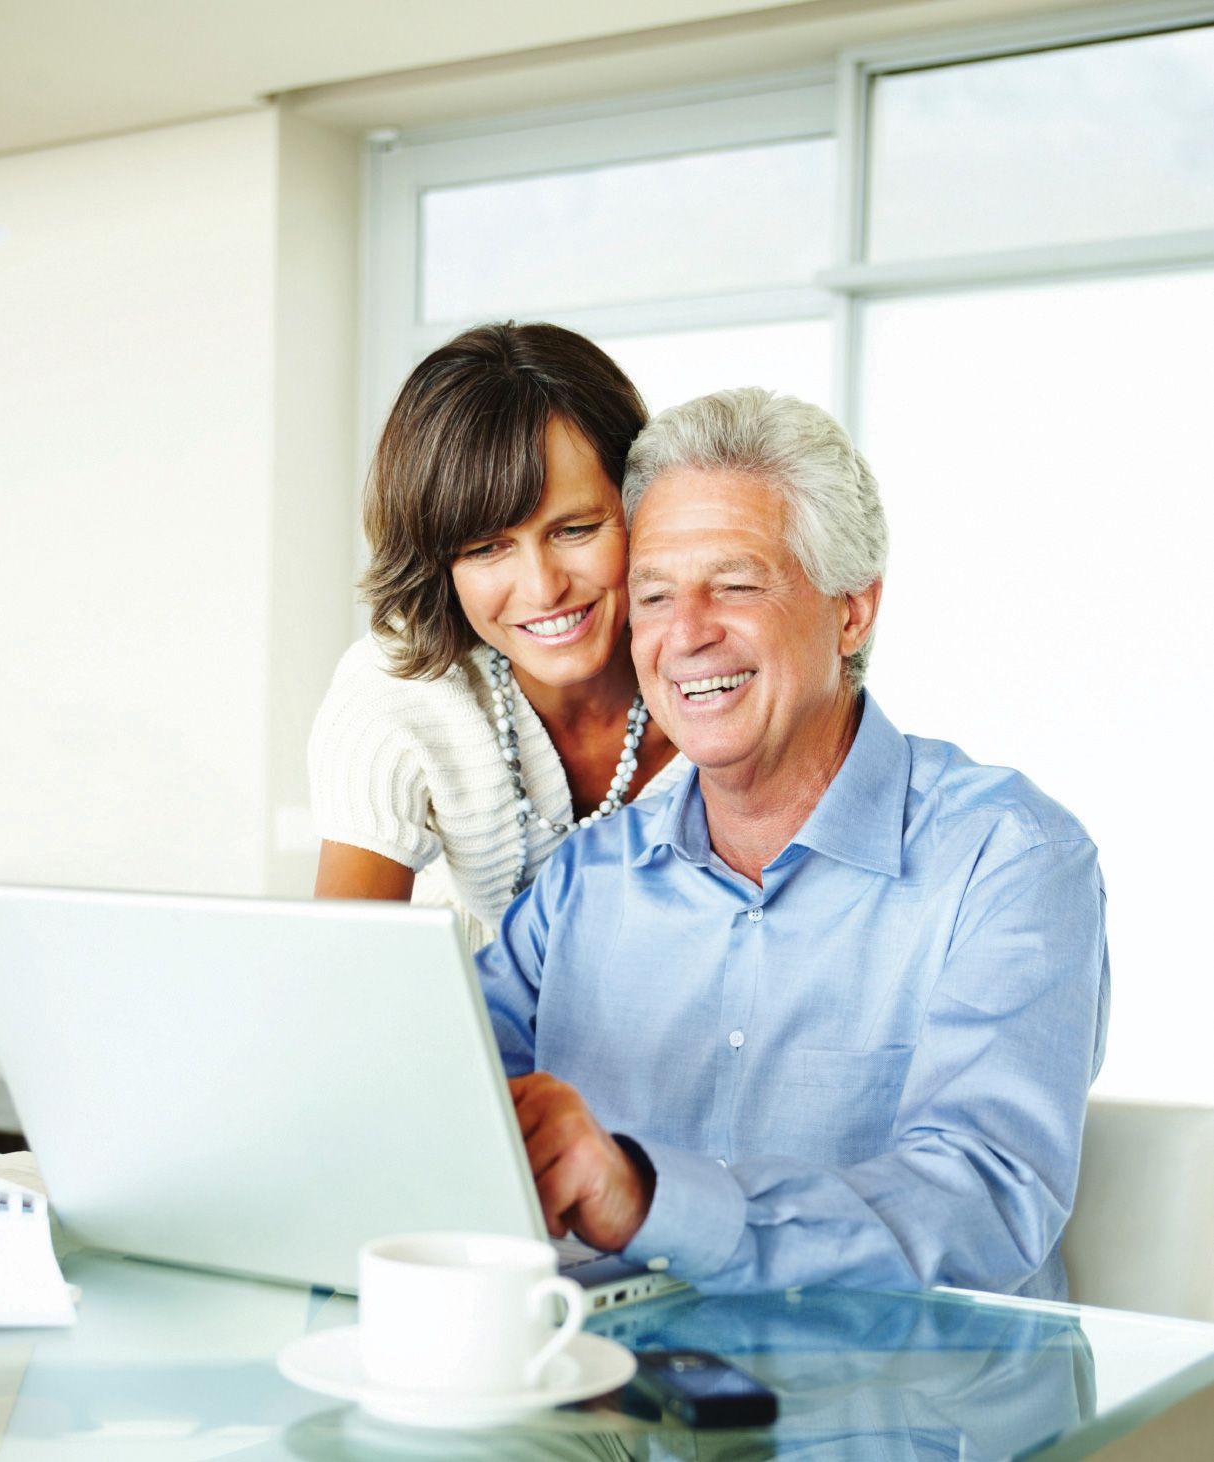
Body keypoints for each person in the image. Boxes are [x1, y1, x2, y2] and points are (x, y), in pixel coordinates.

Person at [478, 387, 1109, 1298]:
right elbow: (437, 1104)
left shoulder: (1007, 861)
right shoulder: (584, 880)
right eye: (654, 595)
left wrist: (647, 1197)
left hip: (894, 1418)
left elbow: (983, 1202)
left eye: (734, 585)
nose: (686, 634)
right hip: (609, 1411)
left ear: (852, 612)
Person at [308, 323, 687, 945]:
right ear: (439, 560)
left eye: (575, 530)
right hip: (469, 1019)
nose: (542, 589)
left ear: (638, 504)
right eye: (487, 548)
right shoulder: (401, 686)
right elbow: (339, 968)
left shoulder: (714, 671)